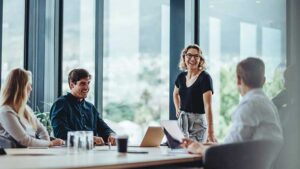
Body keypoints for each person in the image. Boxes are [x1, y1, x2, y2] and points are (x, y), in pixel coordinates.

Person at [182, 57, 283, 154]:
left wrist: (200, 149)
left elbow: (228, 151)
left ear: (239, 80)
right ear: (263, 80)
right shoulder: (269, 105)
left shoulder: (249, 106)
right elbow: (234, 144)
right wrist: (203, 146)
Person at [50, 68, 116, 145]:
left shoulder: (90, 107)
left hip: (92, 153)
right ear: (72, 85)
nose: (87, 87)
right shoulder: (60, 104)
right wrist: (89, 138)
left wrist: (111, 135)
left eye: (88, 83)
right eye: (82, 83)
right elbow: (60, 133)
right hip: (69, 153)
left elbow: (103, 128)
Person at [0, 68, 64, 147]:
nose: (31, 89)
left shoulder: (25, 109)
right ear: (20, 88)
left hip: (27, 153)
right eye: (28, 85)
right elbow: (24, 140)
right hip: (14, 156)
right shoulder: (5, 112)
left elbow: (41, 130)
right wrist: (50, 143)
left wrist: (47, 145)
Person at [173, 44, 216, 143]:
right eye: (189, 55)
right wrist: (177, 108)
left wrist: (211, 132)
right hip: (182, 122)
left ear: (200, 59)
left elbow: (208, 106)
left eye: (196, 56)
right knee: (180, 153)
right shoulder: (181, 77)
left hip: (198, 124)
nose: (192, 58)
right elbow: (175, 94)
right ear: (184, 57)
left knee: (194, 154)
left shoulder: (205, 77)